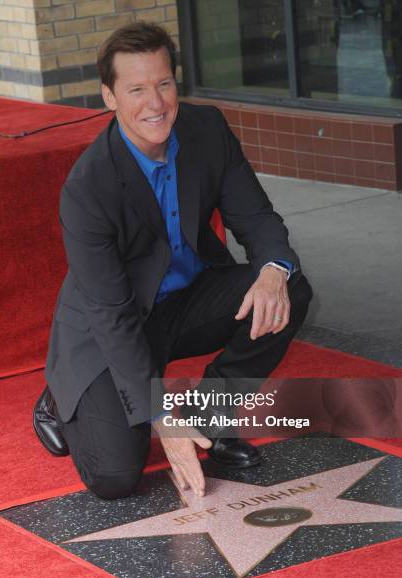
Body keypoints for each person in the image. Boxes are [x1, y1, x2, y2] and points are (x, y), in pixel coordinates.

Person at [33, 22, 312, 501]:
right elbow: (112, 314)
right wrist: (160, 416)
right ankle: (61, 396)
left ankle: (208, 415)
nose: (156, 103)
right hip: (112, 326)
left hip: (184, 301)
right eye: (137, 89)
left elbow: (257, 218)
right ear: (109, 96)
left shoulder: (206, 130)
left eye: (163, 84)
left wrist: (272, 272)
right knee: (116, 477)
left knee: (291, 287)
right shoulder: (88, 187)